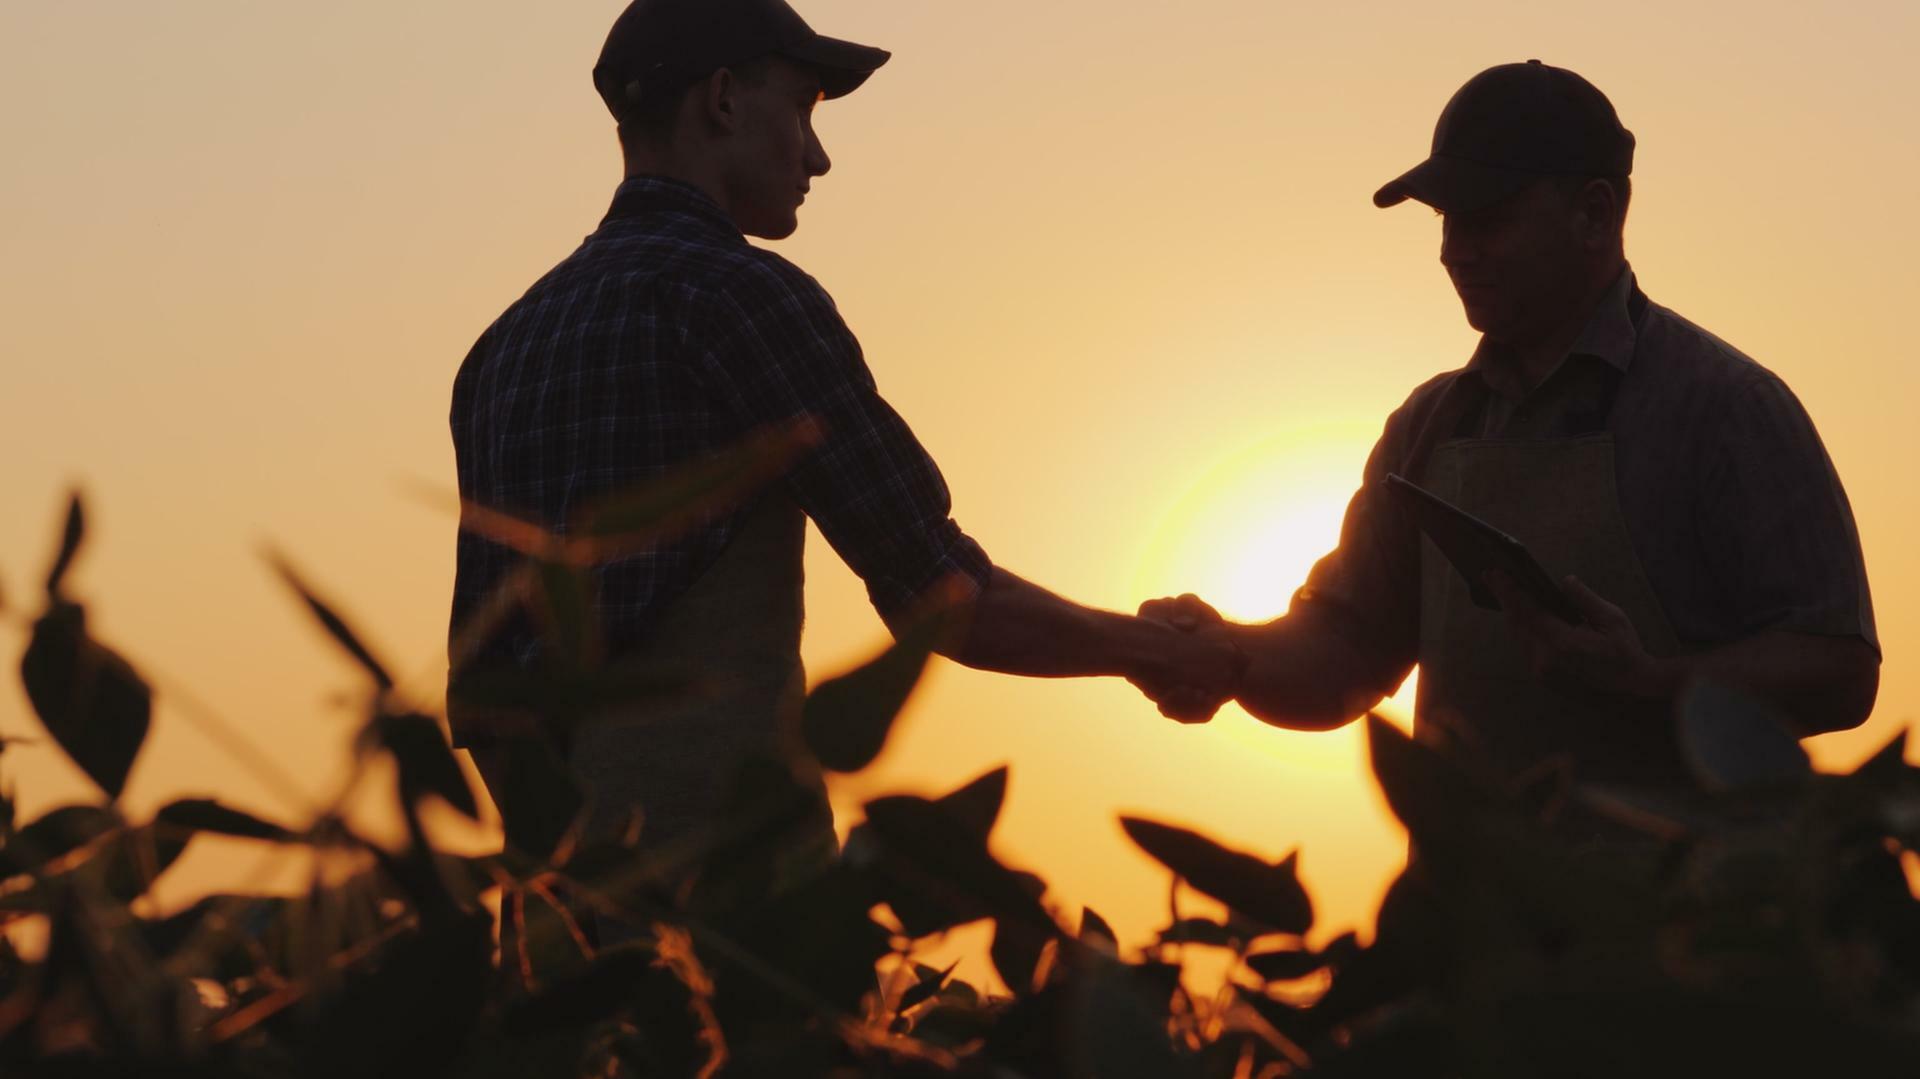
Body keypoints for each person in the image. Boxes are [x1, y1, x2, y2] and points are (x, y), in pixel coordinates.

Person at [448, 0, 1240, 851]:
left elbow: (484, 694)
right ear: (721, 100)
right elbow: (940, 592)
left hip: (558, 938)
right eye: (802, 109)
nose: (818, 156)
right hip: (732, 918)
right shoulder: (741, 300)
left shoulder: (500, 350)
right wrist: (1160, 651)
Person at [1136, 61, 1878, 794]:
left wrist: (1655, 682)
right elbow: (1344, 658)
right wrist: (1225, 652)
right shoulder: (1427, 427)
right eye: (1448, 221)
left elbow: (1842, 675)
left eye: (1488, 218)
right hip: (1468, 912)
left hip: (1683, 911)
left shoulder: (1729, 409)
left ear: (1596, 212)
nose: (1456, 251)